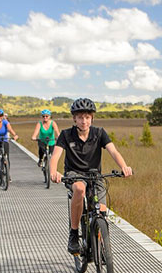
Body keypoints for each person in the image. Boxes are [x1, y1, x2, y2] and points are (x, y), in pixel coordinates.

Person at [50, 98, 133, 254]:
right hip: (74, 174)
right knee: (80, 189)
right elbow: (55, 156)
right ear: (74, 118)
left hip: (94, 175)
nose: (84, 121)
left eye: (87, 117)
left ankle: (101, 243)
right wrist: (54, 172)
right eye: (80, 117)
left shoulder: (99, 133)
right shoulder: (66, 135)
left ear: (92, 118)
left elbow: (113, 151)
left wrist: (124, 167)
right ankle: (74, 234)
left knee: (101, 211)